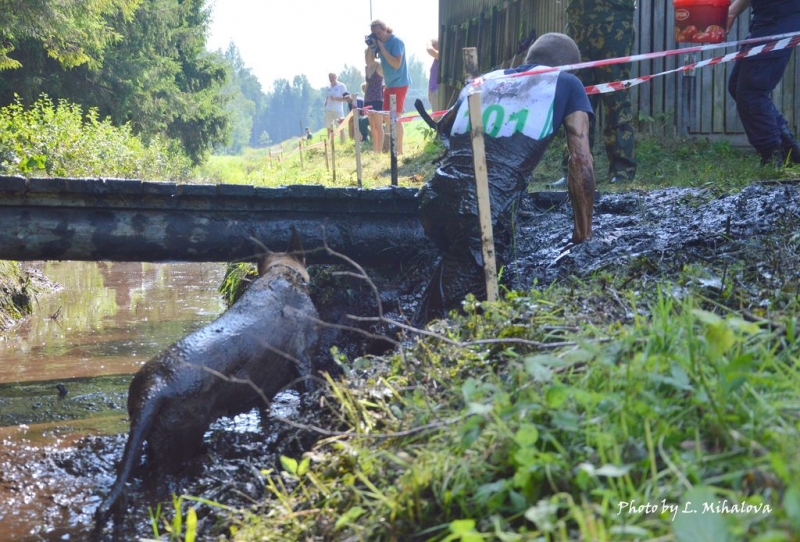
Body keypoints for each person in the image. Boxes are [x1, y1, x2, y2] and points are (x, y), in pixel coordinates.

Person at [414, 33, 596, 324]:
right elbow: (581, 159)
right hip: (481, 211)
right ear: (570, 67)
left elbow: (444, 126)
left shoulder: (485, 78)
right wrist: (583, 231)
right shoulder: (566, 82)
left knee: (456, 266)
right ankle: (441, 348)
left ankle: (416, 333)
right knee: (468, 311)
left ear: (527, 59)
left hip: (433, 198)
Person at [550, 0, 637, 187]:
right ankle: (574, 170)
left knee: (616, 99)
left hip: (614, 23)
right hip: (578, 24)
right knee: (575, 102)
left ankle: (622, 171)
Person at [727, 0, 800, 166]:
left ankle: (772, 157)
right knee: (737, 85)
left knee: (752, 92)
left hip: (779, 18)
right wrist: (731, 12)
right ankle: (790, 150)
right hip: (766, 19)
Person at [369, 19, 411, 154]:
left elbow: (396, 63)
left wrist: (382, 48)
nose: (378, 35)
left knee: (395, 116)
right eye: (375, 34)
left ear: (385, 28)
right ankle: (396, 148)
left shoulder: (396, 41)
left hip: (400, 83)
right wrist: (371, 47)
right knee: (388, 117)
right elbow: (369, 62)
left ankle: (399, 150)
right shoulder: (379, 43)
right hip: (389, 84)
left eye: (379, 32)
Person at [363, 46, 385, 152]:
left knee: (378, 125)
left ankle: (379, 150)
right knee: (372, 126)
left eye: (368, 55)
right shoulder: (366, 68)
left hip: (377, 98)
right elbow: (367, 84)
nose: (366, 57)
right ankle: (375, 149)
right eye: (365, 55)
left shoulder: (379, 66)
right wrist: (364, 99)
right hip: (368, 99)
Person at [324, 72, 348, 144]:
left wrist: (336, 98)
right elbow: (327, 97)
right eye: (329, 77)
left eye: (332, 77)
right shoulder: (328, 87)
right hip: (328, 109)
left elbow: (346, 98)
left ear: (336, 77)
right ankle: (330, 143)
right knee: (329, 127)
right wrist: (325, 104)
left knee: (340, 127)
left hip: (338, 110)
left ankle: (342, 143)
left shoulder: (341, 86)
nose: (330, 79)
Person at [427, 38, 440, 110]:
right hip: (433, 89)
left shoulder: (442, 55)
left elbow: (429, 49)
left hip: (436, 90)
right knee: (392, 119)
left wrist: (429, 43)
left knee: (436, 118)